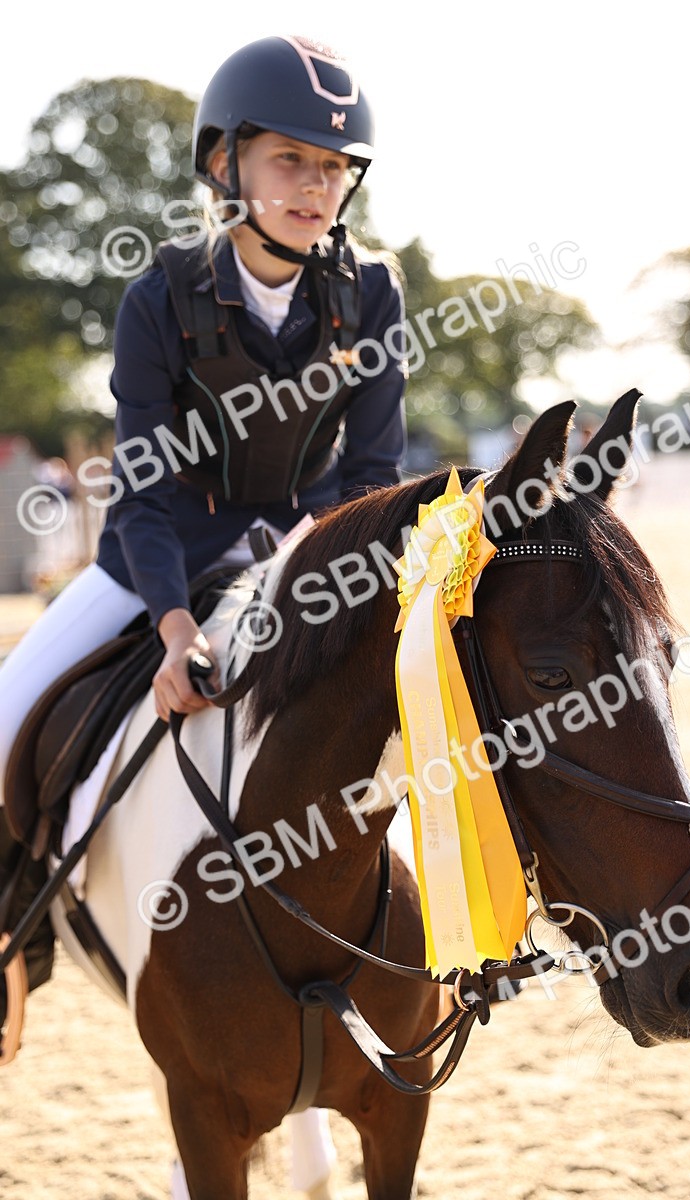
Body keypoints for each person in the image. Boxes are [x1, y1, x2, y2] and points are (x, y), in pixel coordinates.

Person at [0, 35, 407, 1035]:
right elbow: (137, 495)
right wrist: (179, 632)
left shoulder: (372, 294)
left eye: (333, 167)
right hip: (157, 563)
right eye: (291, 160)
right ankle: (16, 948)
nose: (317, 188)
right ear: (225, 164)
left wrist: (323, 585)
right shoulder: (160, 296)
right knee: (3, 716)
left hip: (297, 563)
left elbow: (369, 483)